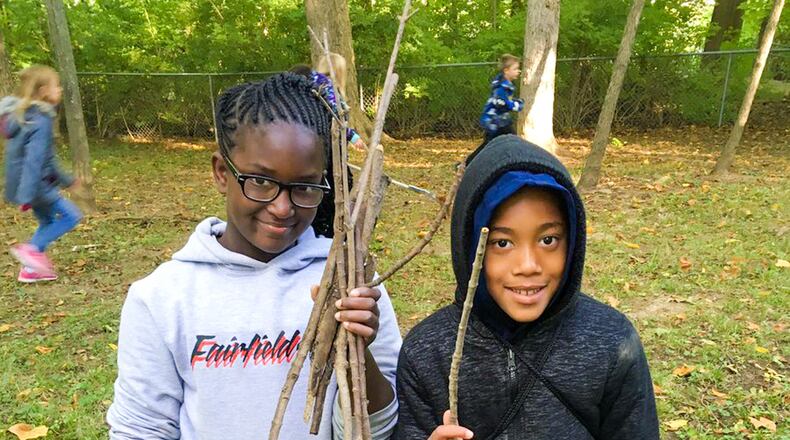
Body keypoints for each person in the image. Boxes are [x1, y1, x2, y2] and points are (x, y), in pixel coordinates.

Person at [106, 73, 401, 439]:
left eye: (305, 187)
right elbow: (141, 428)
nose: (281, 208)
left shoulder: (351, 284)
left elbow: (381, 428)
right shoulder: (163, 298)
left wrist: (358, 348)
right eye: (260, 181)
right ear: (221, 173)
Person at [395, 135, 659, 439]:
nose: (528, 265)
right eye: (502, 243)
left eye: (548, 240)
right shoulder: (428, 353)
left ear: (572, 241)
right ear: (469, 246)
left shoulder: (611, 341)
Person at [2, 65, 82, 283]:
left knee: (47, 221)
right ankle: (32, 250)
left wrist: (66, 180)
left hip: (28, 186)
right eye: (57, 86)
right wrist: (27, 195)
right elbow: (33, 161)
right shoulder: (40, 119)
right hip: (37, 186)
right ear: (45, 90)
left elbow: (44, 158)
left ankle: (30, 270)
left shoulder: (24, 117)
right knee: (72, 216)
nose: (60, 90)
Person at [291, 53, 366, 151]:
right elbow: (335, 119)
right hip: (324, 146)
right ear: (339, 72)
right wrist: (353, 137)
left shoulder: (310, 84)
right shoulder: (328, 87)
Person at [466, 54, 525, 165]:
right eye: (515, 69)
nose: (518, 71)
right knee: (499, 143)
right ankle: (468, 164)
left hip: (500, 121)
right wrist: (517, 105)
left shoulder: (505, 84)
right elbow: (501, 103)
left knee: (497, 143)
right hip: (494, 122)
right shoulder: (502, 87)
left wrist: (514, 102)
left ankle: (510, 162)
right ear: (506, 70)